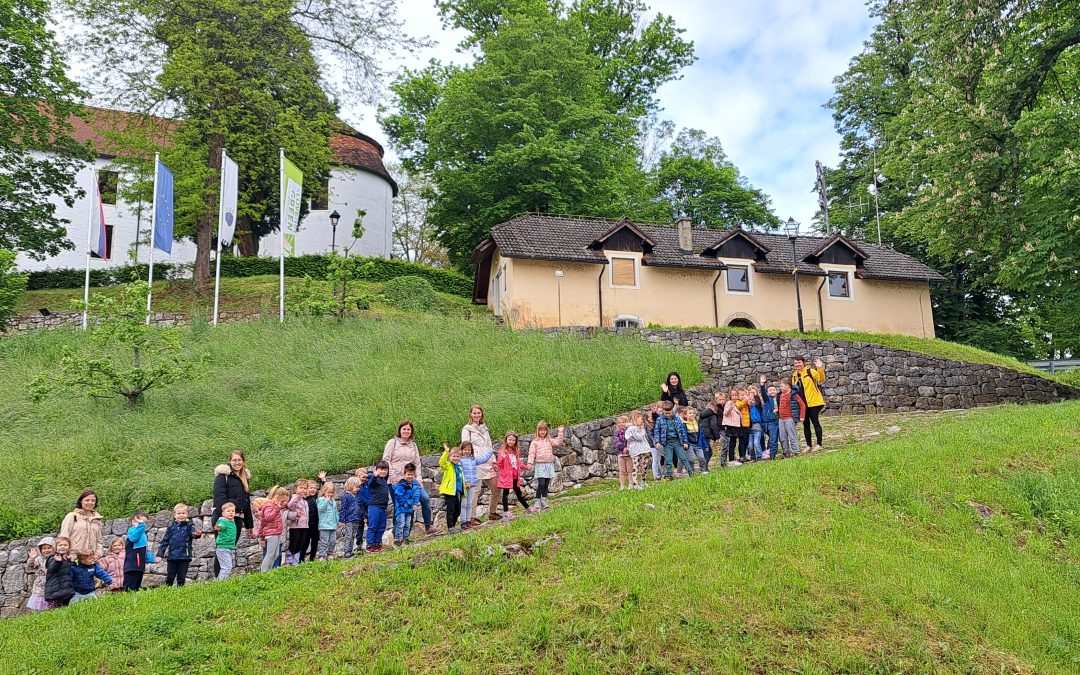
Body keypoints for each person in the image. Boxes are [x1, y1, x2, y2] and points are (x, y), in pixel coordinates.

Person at [383, 420, 435, 535]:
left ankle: (428, 527)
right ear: (400, 430)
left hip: (412, 480)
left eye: (408, 429)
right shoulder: (393, 443)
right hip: (397, 481)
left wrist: (419, 479)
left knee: (425, 499)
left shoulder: (413, 445)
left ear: (411, 431)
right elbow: (386, 460)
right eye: (404, 429)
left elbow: (417, 463)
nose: (406, 431)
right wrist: (393, 476)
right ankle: (398, 535)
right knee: (401, 506)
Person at [462, 404, 500, 523]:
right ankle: (471, 518)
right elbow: (465, 446)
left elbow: (489, 446)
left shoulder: (485, 428)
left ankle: (492, 512)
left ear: (482, 414)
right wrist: (470, 461)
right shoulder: (467, 429)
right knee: (475, 491)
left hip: (488, 461)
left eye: (479, 413)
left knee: (497, 488)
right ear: (470, 414)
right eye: (474, 413)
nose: (477, 415)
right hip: (475, 462)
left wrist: (494, 460)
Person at [158, 503, 203, 586]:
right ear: (174, 515)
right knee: (170, 577)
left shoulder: (190, 525)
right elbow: (165, 541)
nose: (181, 515)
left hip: (184, 556)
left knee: (181, 577)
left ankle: (180, 592)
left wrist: (197, 534)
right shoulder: (171, 527)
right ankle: (167, 592)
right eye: (179, 513)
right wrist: (160, 554)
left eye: (183, 513)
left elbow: (193, 535)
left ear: (187, 514)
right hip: (172, 556)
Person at [212, 452, 252, 543]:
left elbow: (246, 503)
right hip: (223, 519)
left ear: (243, 462)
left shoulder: (244, 478)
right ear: (230, 461)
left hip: (237, 519)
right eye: (234, 460)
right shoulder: (223, 476)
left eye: (239, 460)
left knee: (230, 549)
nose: (237, 462)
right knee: (223, 549)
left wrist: (249, 525)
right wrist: (226, 518)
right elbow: (219, 498)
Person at [526, 421, 564, 510]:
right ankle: (537, 501)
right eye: (540, 430)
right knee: (541, 484)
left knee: (546, 483)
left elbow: (558, 442)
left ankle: (544, 500)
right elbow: (531, 453)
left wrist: (560, 432)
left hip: (549, 465)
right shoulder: (534, 442)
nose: (542, 432)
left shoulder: (549, 440)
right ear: (537, 431)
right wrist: (530, 463)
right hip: (540, 465)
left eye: (544, 430)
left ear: (547, 431)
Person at [792, 356, 827, 451]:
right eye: (795, 363)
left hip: (813, 402)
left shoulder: (810, 371)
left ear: (803, 363)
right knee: (805, 424)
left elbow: (821, 379)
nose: (797, 364)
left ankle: (819, 444)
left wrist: (819, 368)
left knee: (815, 423)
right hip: (802, 405)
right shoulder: (794, 375)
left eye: (799, 362)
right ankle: (809, 445)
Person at [652, 401, 693, 480]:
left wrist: (685, 442)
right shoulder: (659, 420)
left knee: (683, 457)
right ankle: (669, 475)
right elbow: (656, 431)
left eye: (669, 413)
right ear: (663, 411)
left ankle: (691, 473)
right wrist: (657, 441)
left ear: (672, 411)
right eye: (666, 413)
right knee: (668, 459)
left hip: (677, 442)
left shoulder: (677, 419)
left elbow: (682, 431)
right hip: (667, 443)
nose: (667, 415)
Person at [458, 441, 494, 529]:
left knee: (469, 504)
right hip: (464, 485)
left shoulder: (473, 459)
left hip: (473, 484)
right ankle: (463, 522)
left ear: (471, 450)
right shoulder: (460, 461)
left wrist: (490, 452)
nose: (467, 451)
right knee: (464, 504)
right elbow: (459, 473)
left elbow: (483, 459)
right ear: (461, 450)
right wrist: (464, 482)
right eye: (465, 449)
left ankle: (468, 521)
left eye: (469, 450)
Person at [59, 489, 103, 558]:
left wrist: (97, 554)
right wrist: (66, 555)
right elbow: (63, 537)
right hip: (73, 558)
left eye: (93, 500)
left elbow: (99, 541)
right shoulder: (72, 516)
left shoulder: (97, 519)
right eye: (87, 500)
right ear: (81, 501)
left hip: (91, 559)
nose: (90, 502)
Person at [496, 432, 530, 516]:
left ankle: (528, 508)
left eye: (513, 440)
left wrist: (526, 467)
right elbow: (499, 464)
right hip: (507, 477)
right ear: (506, 440)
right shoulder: (502, 451)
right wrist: (503, 458)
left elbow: (518, 463)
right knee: (506, 494)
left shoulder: (515, 451)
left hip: (515, 476)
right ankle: (506, 512)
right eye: (510, 440)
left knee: (519, 493)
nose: (511, 442)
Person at [256, 487, 289, 571]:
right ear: (276, 497)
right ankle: (263, 572)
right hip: (270, 533)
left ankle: (269, 571)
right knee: (270, 554)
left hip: (276, 532)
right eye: (282, 501)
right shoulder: (269, 505)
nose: (284, 503)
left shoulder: (273, 506)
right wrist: (277, 508)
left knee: (276, 554)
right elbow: (268, 517)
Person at [392, 463, 424, 544]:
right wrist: (405, 504)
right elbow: (398, 495)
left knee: (407, 524)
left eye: (412, 474)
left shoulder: (415, 485)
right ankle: (397, 539)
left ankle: (406, 539)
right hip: (401, 509)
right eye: (408, 474)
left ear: (414, 475)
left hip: (409, 509)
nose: (410, 476)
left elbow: (416, 496)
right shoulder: (401, 485)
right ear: (404, 474)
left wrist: (415, 504)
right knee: (401, 523)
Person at [123, 510, 155, 591]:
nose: (143, 524)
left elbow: (145, 550)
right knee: (129, 589)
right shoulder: (132, 531)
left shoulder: (143, 535)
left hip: (140, 567)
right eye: (141, 522)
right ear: (134, 522)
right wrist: (141, 525)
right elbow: (134, 538)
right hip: (132, 566)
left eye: (144, 522)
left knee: (136, 588)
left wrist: (152, 559)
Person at [365, 461, 391, 553]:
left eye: (385, 470)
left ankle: (377, 544)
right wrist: (374, 475)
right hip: (374, 507)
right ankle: (370, 545)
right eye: (381, 469)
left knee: (381, 527)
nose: (383, 471)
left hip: (383, 508)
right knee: (373, 526)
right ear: (376, 470)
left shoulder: (384, 480)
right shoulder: (374, 479)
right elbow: (370, 484)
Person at [439, 446, 466, 533]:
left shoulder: (459, 468)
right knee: (450, 510)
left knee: (457, 510)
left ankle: (453, 526)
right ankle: (450, 527)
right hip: (450, 491)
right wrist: (446, 452)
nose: (455, 458)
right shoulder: (448, 466)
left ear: (460, 458)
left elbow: (460, 480)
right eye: (453, 456)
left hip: (458, 491)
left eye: (457, 456)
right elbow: (441, 462)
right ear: (450, 457)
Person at [44, 536, 75, 608]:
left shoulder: (67, 558)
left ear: (69, 547)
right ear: (56, 547)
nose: (62, 547)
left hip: (65, 590)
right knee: (53, 611)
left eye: (65, 545)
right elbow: (51, 569)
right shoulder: (53, 557)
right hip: (54, 591)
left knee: (64, 610)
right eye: (60, 545)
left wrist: (70, 562)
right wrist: (57, 562)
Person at [25, 537, 54, 611]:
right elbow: (31, 566)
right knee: (39, 604)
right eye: (44, 548)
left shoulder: (56, 558)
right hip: (40, 586)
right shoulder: (39, 559)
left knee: (51, 605)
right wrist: (32, 559)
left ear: (54, 548)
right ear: (40, 550)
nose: (46, 550)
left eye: (49, 548)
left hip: (52, 584)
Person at [699, 392, 726, 471]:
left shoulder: (702, 415)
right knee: (708, 453)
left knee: (706, 452)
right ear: (714, 409)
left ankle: (704, 467)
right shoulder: (712, 415)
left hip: (700, 435)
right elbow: (714, 426)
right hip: (707, 436)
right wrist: (717, 437)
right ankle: (704, 468)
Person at [625, 412, 652, 488]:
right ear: (635, 418)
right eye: (641, 419)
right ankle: (635, 483)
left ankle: (643, 482)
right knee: (635, 467)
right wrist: (643, 429)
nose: (642, 421)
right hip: (636, 451)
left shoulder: (638, 428)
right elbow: (639, 437)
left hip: (642, 450)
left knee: (644, 466)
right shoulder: (632, 429)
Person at [285, 480, 309, 566]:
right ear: (296, 489)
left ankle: (295, 561)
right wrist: (297, 497)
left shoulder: (305, 501)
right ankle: (288, 562)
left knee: (300, 544)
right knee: (293, 545)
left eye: (305, 488)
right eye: (301, 488)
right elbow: (289, 506)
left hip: (305, 526)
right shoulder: (294, 498)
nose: (303, 490)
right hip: (296, 526)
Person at [213, 502, 239, 580]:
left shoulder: (231, 521)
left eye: (233, 511)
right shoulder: (223, 521)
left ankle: (221, 582)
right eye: (228, 511)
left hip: (228, 547)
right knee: (227, 567)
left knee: (227, 567)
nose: (231, 512)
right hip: (223, 548)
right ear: (223, 513)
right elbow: (222, 526)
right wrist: (219, 527)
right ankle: (219, 584)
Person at [340, 477, 364, 558]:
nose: (358, 489)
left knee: (353, 535)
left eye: (359, 487)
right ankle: (347, 552)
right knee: (349, 535)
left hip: (356, 519)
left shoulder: (357, 497)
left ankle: (350, 551)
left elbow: (360, 508)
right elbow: (343, 509)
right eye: (357, 487)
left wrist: (363, 516)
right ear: (350, 486)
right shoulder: (346, 496)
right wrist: (341, 520)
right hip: (349, 520)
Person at [778, 380, 803, 457]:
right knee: (782, 437)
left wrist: (802, 416)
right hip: (781, 419)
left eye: (782, 386)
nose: (780, 387)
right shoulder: (780, 395)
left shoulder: (793, 395)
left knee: (792, 436)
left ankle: (796, 452)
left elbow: (802, 405)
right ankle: (786, 453)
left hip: (789, 418)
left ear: (787, 386)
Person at [316, 481, 340, 560]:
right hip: (324, 526)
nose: (330, 494)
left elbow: (335, 512)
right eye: (329, 492)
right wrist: (326, 500)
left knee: (333, 541)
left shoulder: (333, 501)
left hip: (332, 525)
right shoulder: (321, 500)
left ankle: (330, 553)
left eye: (332, 492)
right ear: (324, 491)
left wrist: (337, 521)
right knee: (324, 541)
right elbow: (320, 509)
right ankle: (322, 555)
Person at [759, 375, 781, 460]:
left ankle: (773, 454)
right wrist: (762, 384)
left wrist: (778, 410)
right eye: (770, 390)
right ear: (768, 393)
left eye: (774, 390)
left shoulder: (779, 398)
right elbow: (763, 393)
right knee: (772, 439)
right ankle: (770, 454)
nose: (772, 391)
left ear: (776, 391)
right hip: (768, 422)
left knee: (775, 438)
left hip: (777, 421)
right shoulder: (767, 399)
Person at [681, 407, 708, 474]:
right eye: (690, 413)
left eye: (693, 413)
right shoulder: (684, 424)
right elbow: (683, 435)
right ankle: (691, 471)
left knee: (702, 457)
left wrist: (705, 445)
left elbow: (701, 435)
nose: (692, 414)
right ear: (685, 415)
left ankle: (703, 470)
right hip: (689, 445)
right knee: (691, 459)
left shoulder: (698, 424)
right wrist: (685, 443)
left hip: (698, 444)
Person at [722, 389, 743, 467]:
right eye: (733, 395)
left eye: (735, 395)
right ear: (730, 396)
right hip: (732, 425)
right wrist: (730, 408)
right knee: (732, 442)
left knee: (733, 442)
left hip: (735, 425)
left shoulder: (735, 403)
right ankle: (731, 459)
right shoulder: (729, 403)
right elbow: (726, 413)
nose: (734, 397)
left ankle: (732, 458)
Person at [303, 477, 321, 563]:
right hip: (307, 525)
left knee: (315, 542)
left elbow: (324, 490)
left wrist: (323, 480)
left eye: (315, 488)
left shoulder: (317, 497)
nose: (313, 490)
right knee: (305, 542)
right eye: (311, 488)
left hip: (316, 524)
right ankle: (301, 559)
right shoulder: (304, 499)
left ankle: (312, 559)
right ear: (306, 489)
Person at [614, 416, 631, 490]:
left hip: (629, 454)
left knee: (630, 470)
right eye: (619, 423)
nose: (621, 424)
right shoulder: (617, 433)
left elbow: (631, 441)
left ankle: (631, 484)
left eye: (623, 422)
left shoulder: (630, 431)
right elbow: (617, 442)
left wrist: (628, 448)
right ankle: (622, 485)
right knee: (622, 470)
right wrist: (623, 448)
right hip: (621, 454)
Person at [748, 390, 764, 461]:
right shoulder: (747, 407)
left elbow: (758, 402)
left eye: (753, 400)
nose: (752, 401)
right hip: (749, 427)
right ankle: (753, 458)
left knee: (756, 443)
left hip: (757, 426)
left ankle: (759, 457)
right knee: (750, 445)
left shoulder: (757, 406)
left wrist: (754, 395)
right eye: (750, 400)